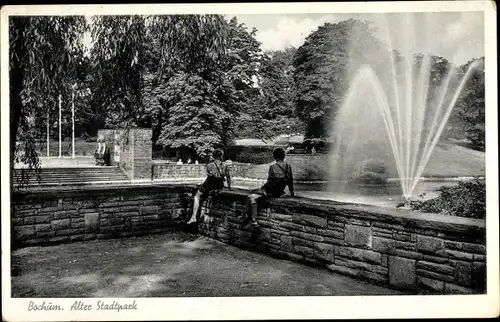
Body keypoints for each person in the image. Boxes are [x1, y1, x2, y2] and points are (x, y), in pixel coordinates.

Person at [241, 147, 294, 229]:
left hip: (271, 191)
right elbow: (290, 181)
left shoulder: (273, 167)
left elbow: (270, 181)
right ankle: (246, 215)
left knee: (251, 195)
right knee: (252, 194)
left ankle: (251, 218)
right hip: (279, 191)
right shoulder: (288, 166)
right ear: (284, 156)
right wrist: (292, 193)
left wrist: (263, 190)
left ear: (274, 156)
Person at [187, 149, 231, 225]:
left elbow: (210, 177)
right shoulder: (225, 165)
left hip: (210, 184)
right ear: (221, 156)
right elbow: (228, 177)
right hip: (219, 185)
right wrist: (229, 187)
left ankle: (193, 217)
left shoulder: (209, 165)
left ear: (213, 156)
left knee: (197, 196)